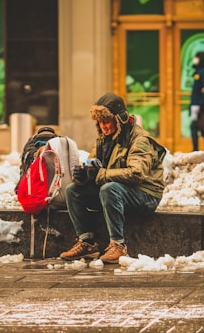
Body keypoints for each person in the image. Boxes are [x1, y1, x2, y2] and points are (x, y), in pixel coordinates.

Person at [60, 92, 166, 264]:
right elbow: (94, 168)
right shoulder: (104, 140)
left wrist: (100, 174)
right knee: (73, 191)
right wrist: (82, 177)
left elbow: (137, 173)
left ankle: (118, 245)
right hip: (118, 191)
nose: (103, 126)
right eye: (100, 122)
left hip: (145, 194)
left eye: (107, 121)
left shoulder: (140, 140)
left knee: (109, 189)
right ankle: (87, 243)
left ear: (119, 119)